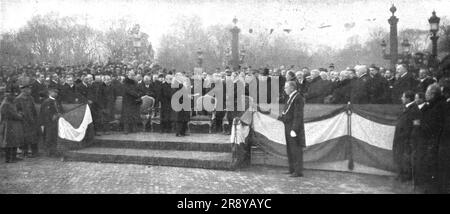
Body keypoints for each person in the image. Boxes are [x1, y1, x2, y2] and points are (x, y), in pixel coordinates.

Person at [412, 83, 446, 193]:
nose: (425, 94)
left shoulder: (437, 107)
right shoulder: (432, 105)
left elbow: (431, 126)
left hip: (433, 144)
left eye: (426, 92)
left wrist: (419, 124)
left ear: (432, 94)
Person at [278, 81, 305, 177]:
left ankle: (298, 171)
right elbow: (287, 112)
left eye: (286, 87)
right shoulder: (290, 97)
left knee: (296, 149)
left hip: (294, 127)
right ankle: (292, 169)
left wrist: (294, 129)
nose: (284, 89)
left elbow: (298, 115)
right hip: (288, 126)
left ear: (292, 88)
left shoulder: (298, 98)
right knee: (290, 149)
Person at [392, 90, 419, 182]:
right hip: (401, 137)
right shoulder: (406, 108)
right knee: (400, 156)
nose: (401, 98)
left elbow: (416, 125)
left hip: (406, 138)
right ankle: (401, 174)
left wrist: (409, 137)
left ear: (408, 98)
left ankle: (406, 176)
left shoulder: (414, 109)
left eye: (403, 97)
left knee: (406, 157)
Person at [14, 83, 40, 158]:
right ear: (23, 90)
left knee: (33, 137)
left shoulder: (31, 98)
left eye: (30, 89)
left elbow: (33, 109)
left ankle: (35, 152)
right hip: (24, 121)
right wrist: (22, 116)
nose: (30, 90)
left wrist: (35, 118)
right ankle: (24, 152)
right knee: (24, 138)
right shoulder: (18, 99)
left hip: (32, 120)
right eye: (28, 89)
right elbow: (17, 110)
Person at [0, 89, 24, 163]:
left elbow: (15, 112)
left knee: (14, 141)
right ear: (8, 96)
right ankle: (9, 158)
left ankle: (13, 156)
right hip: (9, 124)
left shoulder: (11, 103)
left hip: (13, 124)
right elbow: (12, 114)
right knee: (9, 142)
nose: (14, 97)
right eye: (13, 95)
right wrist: (20, 116)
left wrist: (19, 114)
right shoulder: (6, 104)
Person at [39, 88, 63, 157]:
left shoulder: (57, 101)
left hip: (56, 122)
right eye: (54, 92)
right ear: (50, 93)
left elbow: (60, 109)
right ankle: (48, 152)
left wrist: (59, 114)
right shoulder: (46, 101)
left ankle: (54, 151)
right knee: (49, 137)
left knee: (54, 137)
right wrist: (52, 116)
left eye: (57, 93)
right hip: (49, 122)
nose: (56, 94)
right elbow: (45, 112)